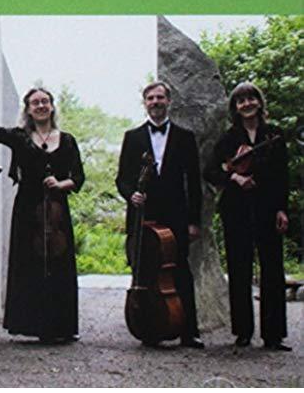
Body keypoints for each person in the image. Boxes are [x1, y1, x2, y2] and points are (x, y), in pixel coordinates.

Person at [0, 67, 85, 343]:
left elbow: (78, 178)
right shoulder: (19, 137)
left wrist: (61, 184)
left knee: (59, 266)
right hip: (27, 208)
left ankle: (60, 326)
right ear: (28, 110)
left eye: (45, 101)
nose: (41, 106)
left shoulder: (67, 140)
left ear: (52, 106)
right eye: (35, 103)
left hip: (56, 211)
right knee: (28, 264)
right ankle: (30, 324)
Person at [116, 81, 204, 349]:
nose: (155, 102)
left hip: (175, 214)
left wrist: (194, 221)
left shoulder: (185, 136)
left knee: (180, 270)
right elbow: (122, 178)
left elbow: (194, 182)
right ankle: (149, 328)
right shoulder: (132, 137)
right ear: (145, 103)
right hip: (142, 214)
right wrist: (131, 194)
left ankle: (189, 331)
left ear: (169, 101)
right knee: (144, 270)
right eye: (150, 98)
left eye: (160, 97)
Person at [204, 82, 291, 351]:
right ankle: (243, 332)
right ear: (235, 107)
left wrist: (281, 208)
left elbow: (282, 175)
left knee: (272, 269)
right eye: (240, 101)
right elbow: (210, 171)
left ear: (259, 102)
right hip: (237, 209)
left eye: (251, 98)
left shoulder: (274, 134)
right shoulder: (229, 138)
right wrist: (235, 177)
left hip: (268, 207)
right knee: (239, 269)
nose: (247, 104)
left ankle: (273, 335)